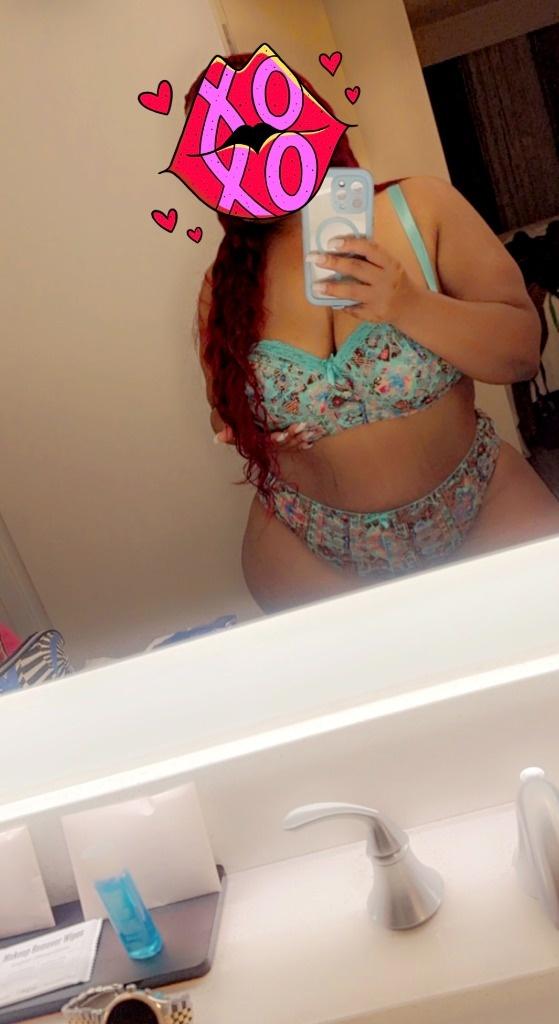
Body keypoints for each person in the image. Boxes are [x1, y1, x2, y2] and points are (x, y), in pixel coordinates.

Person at [189, 54, 559, 613]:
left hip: (481, 507)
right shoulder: (224, 286)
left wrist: (408, 304)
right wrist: (248, 428)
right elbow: (221, 414)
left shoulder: (421, 208)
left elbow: (521, 353)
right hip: (306, 547)